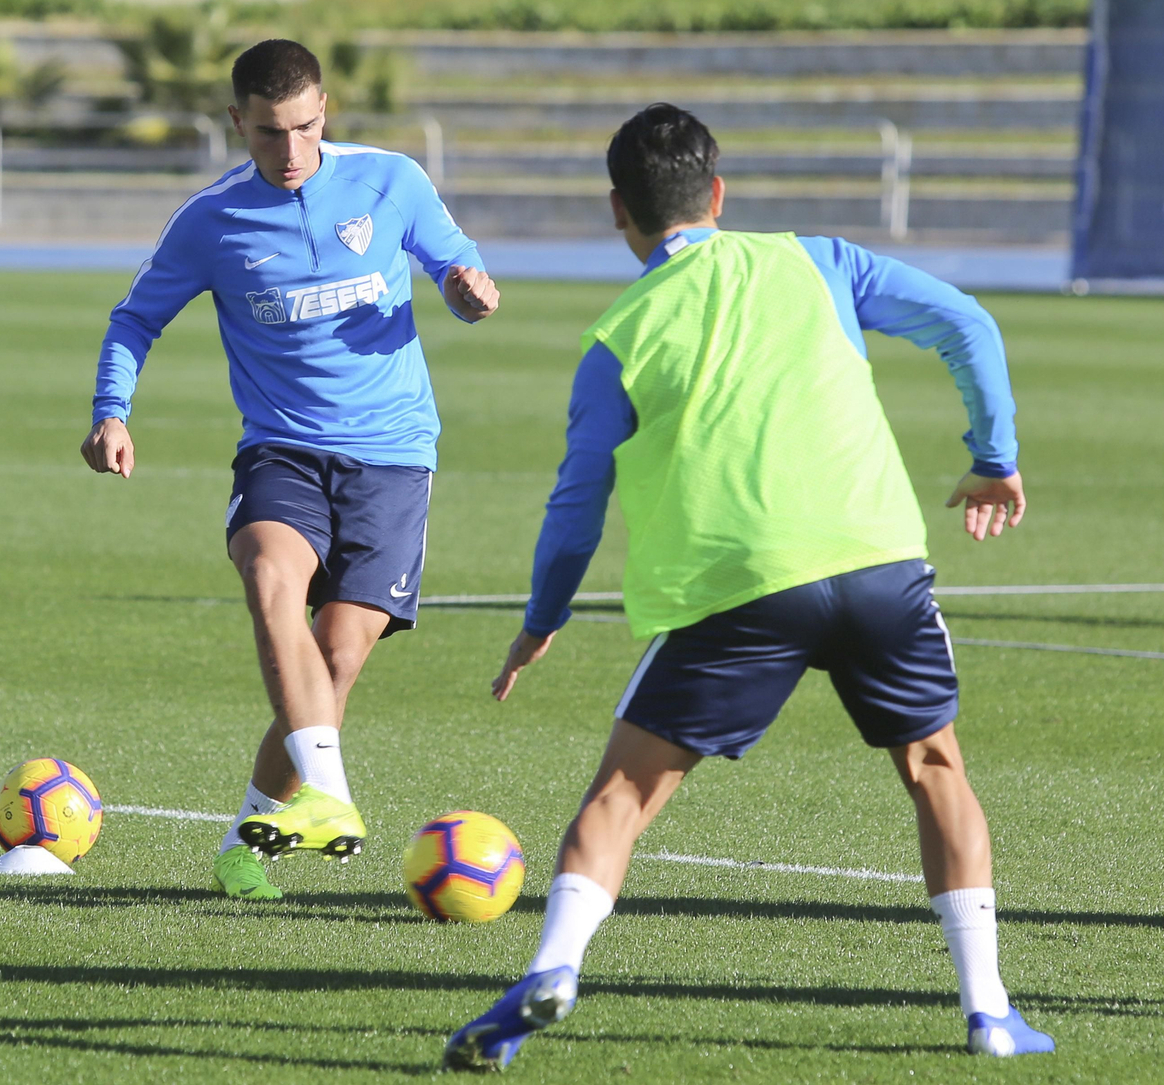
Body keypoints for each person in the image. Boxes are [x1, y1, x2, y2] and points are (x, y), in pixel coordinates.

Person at [443, 103, 1053, 1070]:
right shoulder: (817, 259)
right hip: (878, 563)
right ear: (718, 195)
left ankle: (554, 967)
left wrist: (541, 619)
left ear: (618, 213)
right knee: (936, 768)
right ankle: (989, 1012)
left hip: (736, 591)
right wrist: (995, 456)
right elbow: (966, 322)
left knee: (624, 795)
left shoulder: (617, 337)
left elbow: (575, 506)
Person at [82, 39, 500, 901]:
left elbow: (459, 266)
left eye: (307, 128)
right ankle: (331, 794)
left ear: (326, 111)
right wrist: (111, 412)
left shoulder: (391, 181)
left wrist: (467, 290)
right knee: (270, 571)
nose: (293, 152)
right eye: (271, 134)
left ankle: (246, 840)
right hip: (282, 446)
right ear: (238, 123)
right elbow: (135, 319)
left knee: (335, 660)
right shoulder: (212, 221)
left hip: (394, 455)